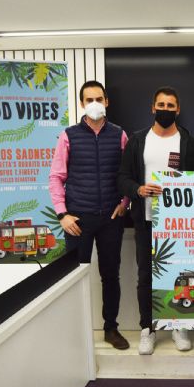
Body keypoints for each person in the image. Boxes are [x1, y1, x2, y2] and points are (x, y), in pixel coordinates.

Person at [117, 87, 194, 355]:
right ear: (153, 107)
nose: (165, 110)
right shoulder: (138, 140)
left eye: (170, 105)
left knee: (180, 275)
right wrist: (138, 189)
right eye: (161, 105)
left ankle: (178, 326)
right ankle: (147, 328)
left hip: (179, 224)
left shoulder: (188, 142)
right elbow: (122, 178)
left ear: (178, 109)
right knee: (145, 276)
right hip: (146, 220)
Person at [49, 80, 129, 350]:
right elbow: (56, 177)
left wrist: (125, 201)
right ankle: (75, 333)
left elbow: (128, 173)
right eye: (89, 99)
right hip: (78, 220)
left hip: (111, 218)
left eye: (99, 99)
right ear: (82, 103)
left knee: (111, 275)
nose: (94, 104)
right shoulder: (68, 135)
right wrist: (62, 214)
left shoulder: (119, 135)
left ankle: (111, 328)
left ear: (107, 102)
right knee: (74, 277)